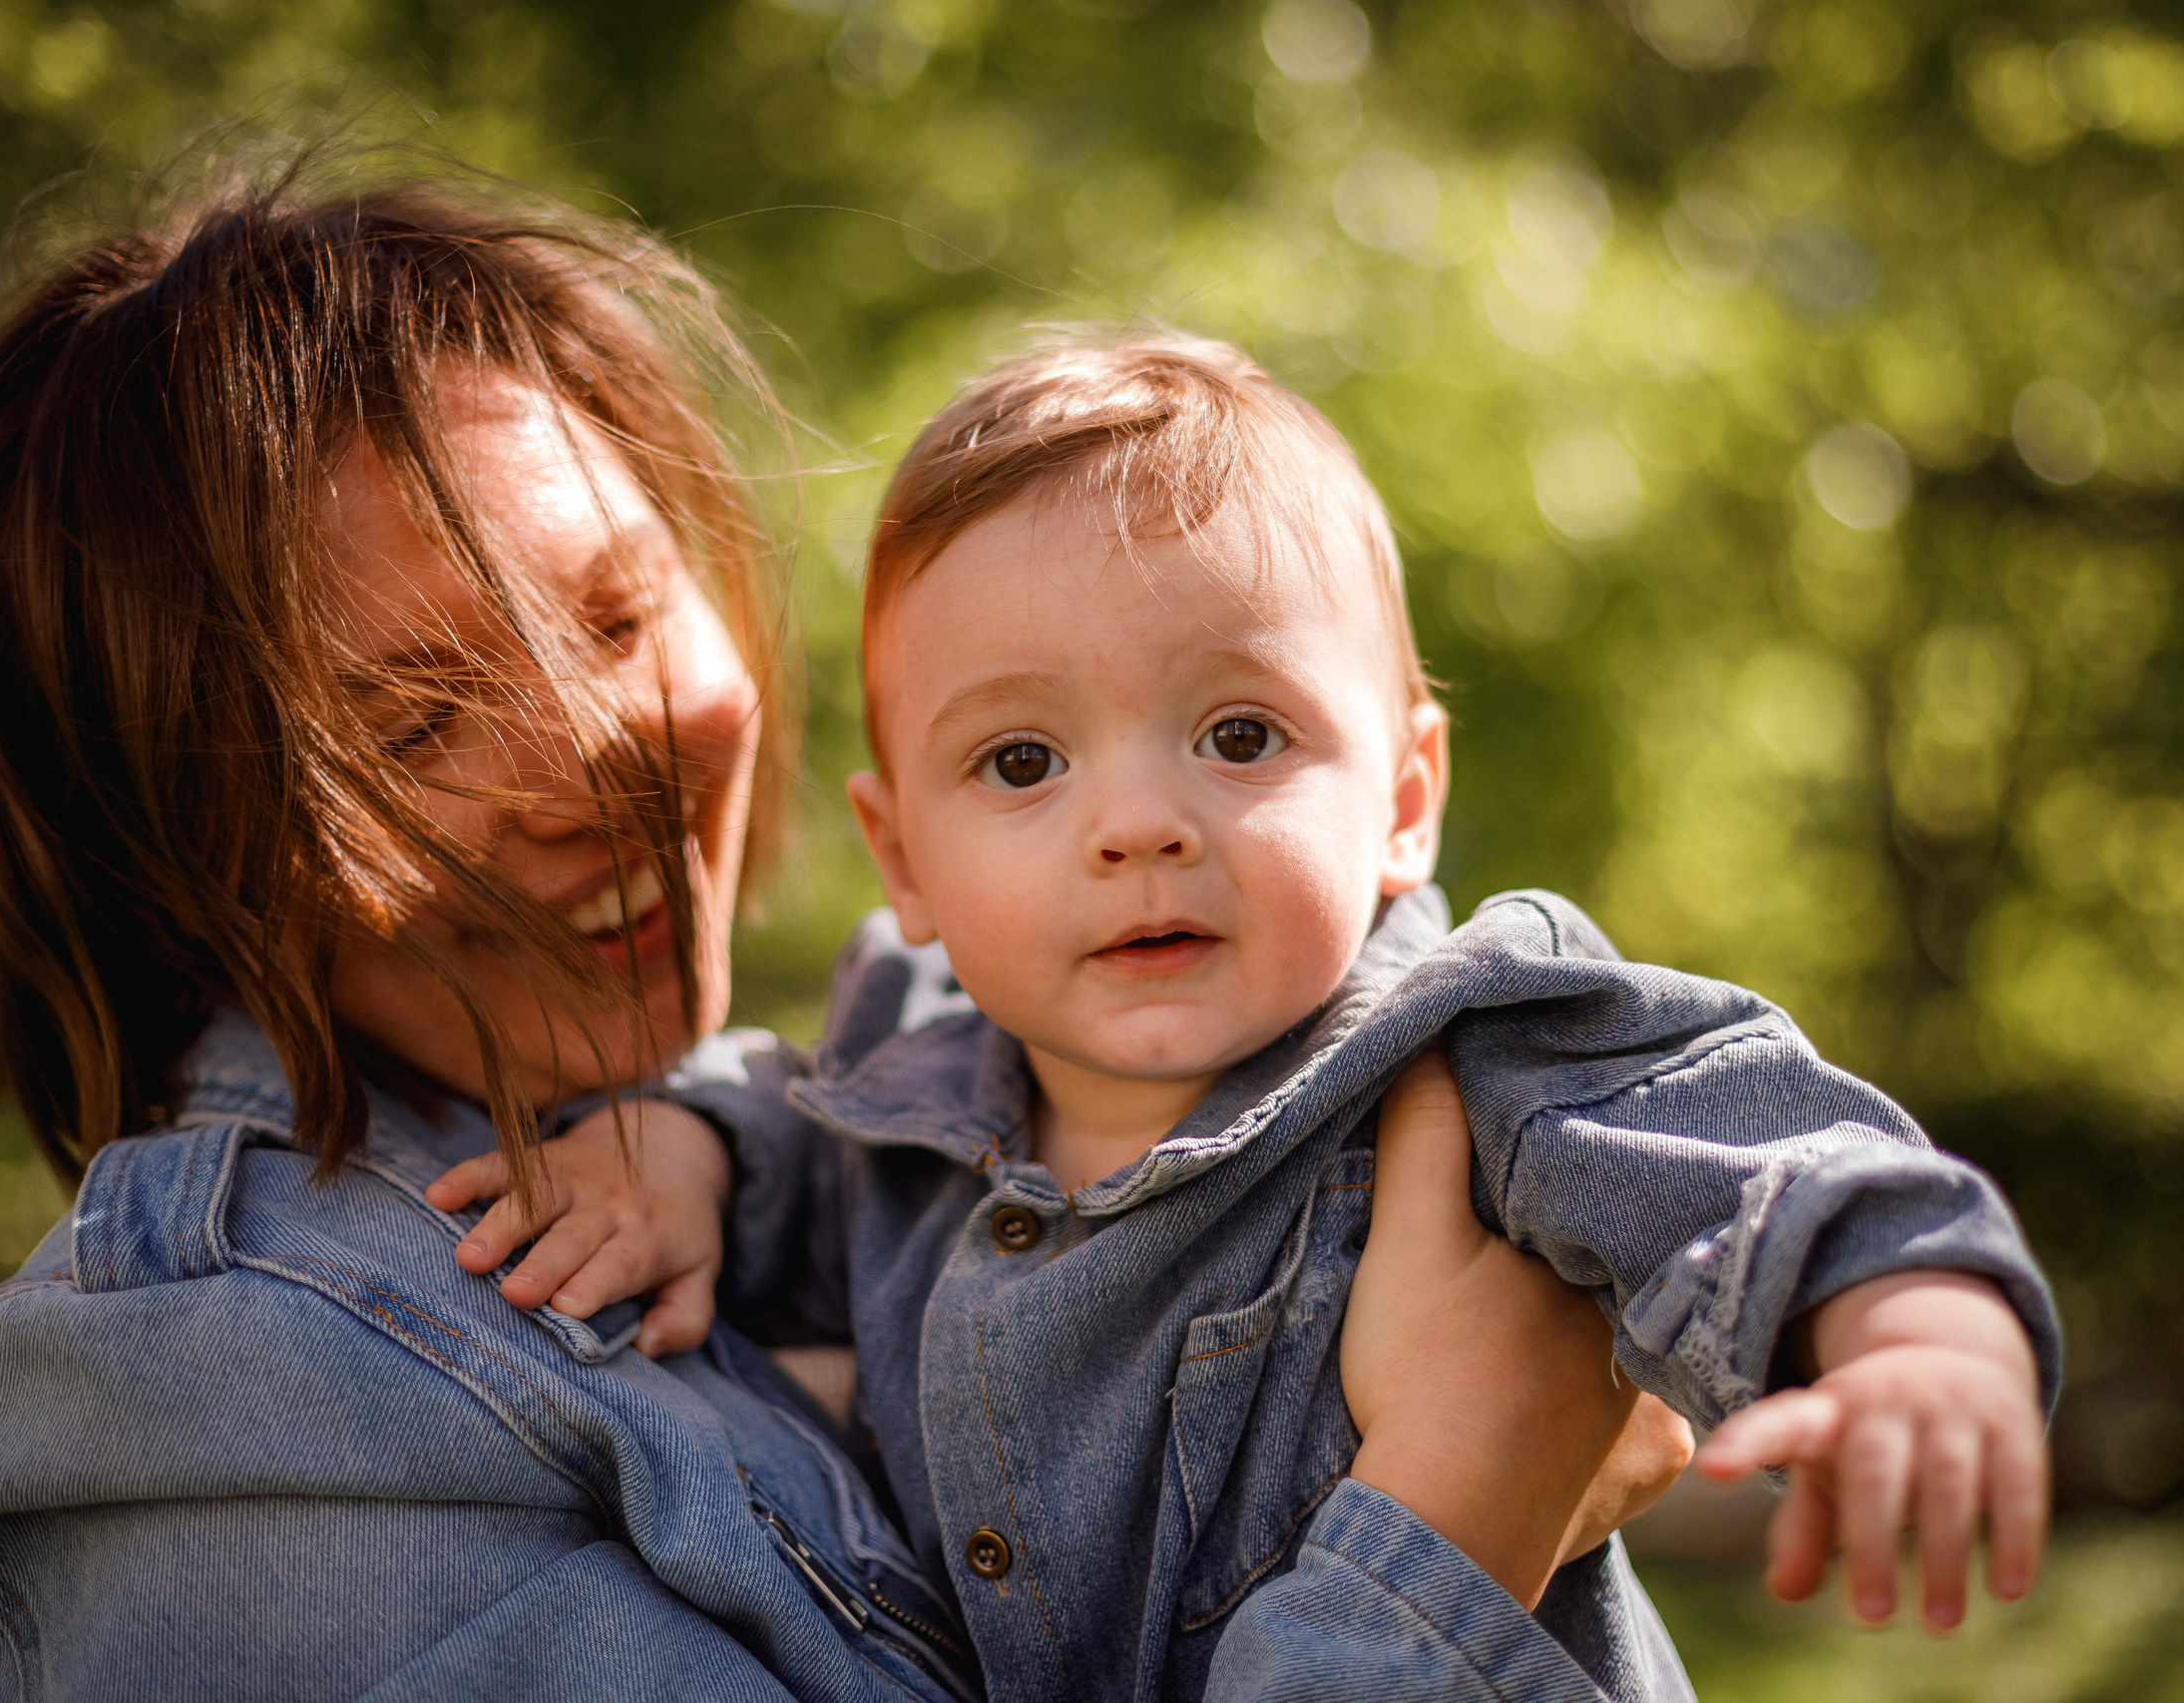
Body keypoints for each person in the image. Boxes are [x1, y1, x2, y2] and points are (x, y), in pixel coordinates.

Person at [0, 178, 1688, 1700]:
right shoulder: (195, 1397)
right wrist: (1456, 1507)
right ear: (175, 845)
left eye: (613, 614)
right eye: (422, 720)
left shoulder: (830, 1148)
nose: (595, 760)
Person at [460, 334, 2065, 1703]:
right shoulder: (899, 1099)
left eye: (1240, 732)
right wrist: (679, 1144)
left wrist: (1920, 1328)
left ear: (1405, 801)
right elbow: (776, 1140)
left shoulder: (1465, 1051)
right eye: (1022, 763)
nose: (1139, 822)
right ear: (905, 861)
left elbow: (1751, 1143)